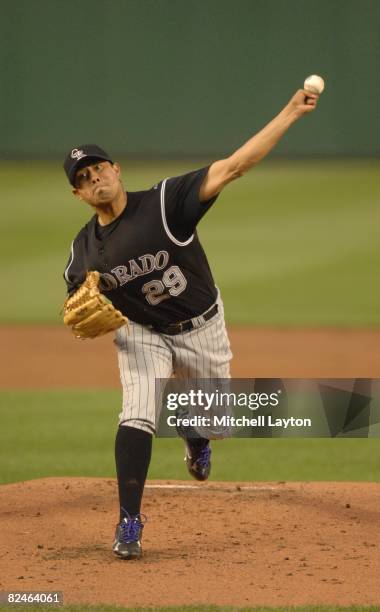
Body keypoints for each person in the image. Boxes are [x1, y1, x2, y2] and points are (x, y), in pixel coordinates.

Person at [62, 88, 319, 560]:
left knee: (208, 420)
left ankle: (196, 436)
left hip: (203, 328)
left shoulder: (166, 203)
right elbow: (76, 310)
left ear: (116, 171)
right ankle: (129, 522)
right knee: (137, 412)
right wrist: (85, 312)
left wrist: (289, 111)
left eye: (99, 167)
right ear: (78, 194)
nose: (94, 176)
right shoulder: (82, 252)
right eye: (83, 176)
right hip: (141, 336)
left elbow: (235, 165)